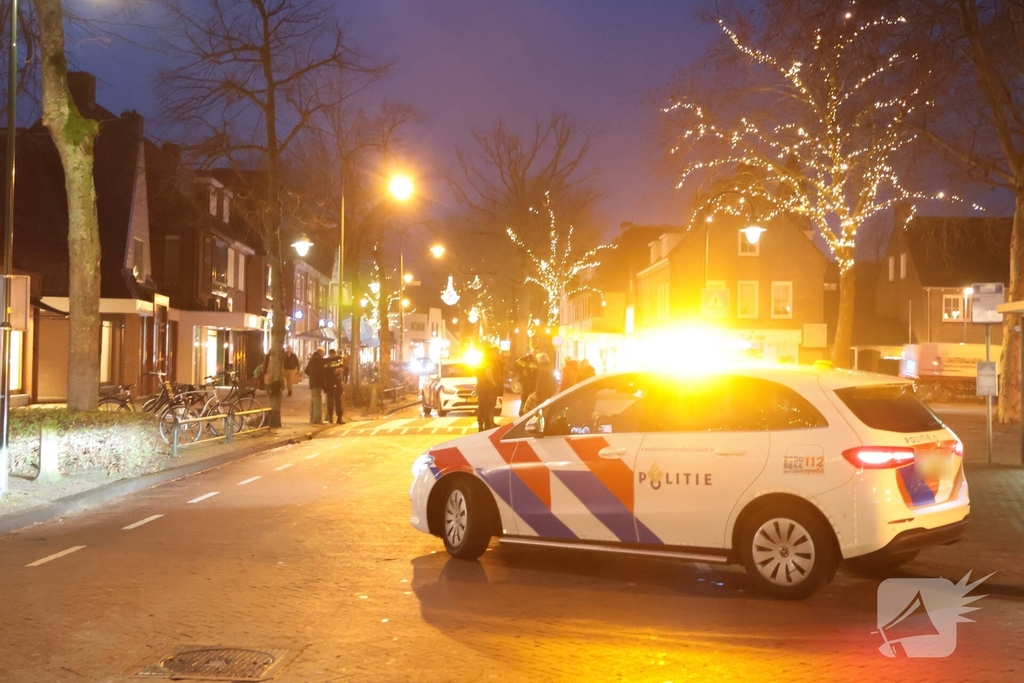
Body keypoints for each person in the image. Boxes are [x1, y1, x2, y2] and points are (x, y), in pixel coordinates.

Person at [475, 347, 500, 431]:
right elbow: (488, 374)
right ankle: (487, 424)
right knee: (487, 406)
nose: (496, 354)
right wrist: (494, 383)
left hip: (480, 386)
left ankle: (480, 424)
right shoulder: (487, 362)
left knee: (481, 406)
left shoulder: (478, 362)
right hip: (487, 387)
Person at [304, 348, 326, 424]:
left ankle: (312, 418)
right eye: (323, 353)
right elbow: (323, 370)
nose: (324, 355)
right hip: (318, 382)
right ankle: (317, 419)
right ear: (320, 352)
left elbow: (306, 370)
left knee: (313, 400)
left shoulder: (312, 359)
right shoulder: (319, 360)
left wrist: (312, 376)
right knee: (317, 400)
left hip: (313, 382)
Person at [324, 348, 345, 424]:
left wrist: (340, 370)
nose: (333, 356)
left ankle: (339, 417)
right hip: (330, 383)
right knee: (330, 401)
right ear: (330, 354)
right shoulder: (326, 361)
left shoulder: (338, 360)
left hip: (338, 382)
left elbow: (342, 367)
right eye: (332, 354)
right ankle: (330, 417)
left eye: (334, 354)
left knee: (338, 400)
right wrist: (333, 372)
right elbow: (325, 373)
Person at [515, 352, 538, 417]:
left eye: (537, 352)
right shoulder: (526, 359)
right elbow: (515, 364)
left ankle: (529, 413)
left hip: (533, 383)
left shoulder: (537, 361)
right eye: (535, 351)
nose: (536, 354)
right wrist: (522, 371)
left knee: (531, 399)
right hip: (526, 382)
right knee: (524, 397)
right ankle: (521, 413)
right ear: (532, 351)